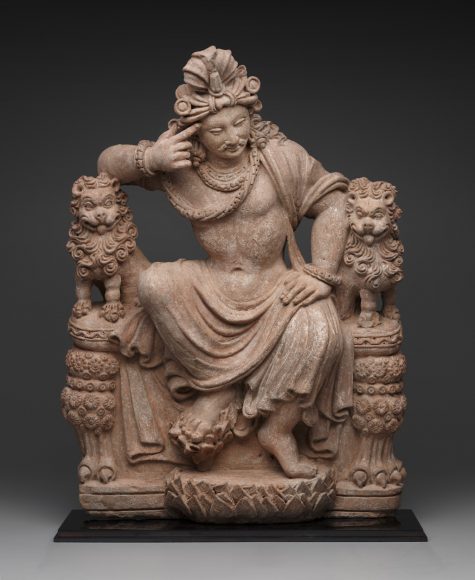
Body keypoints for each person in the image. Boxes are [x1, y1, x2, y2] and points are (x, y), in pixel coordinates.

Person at [98, 46, 353, 479]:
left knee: (320, 329)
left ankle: (277, 430)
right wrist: (150, 159)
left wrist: (321, 273)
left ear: (252, 119)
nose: (232, 137)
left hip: (275, 285)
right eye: (217, 130)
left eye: (239, 123)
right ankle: (218, 388)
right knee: (156, 283)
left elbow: (334, 203)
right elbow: (107, 163)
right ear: (197, 134)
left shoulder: (281, 157)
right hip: (212, 284)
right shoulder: (183, 164)